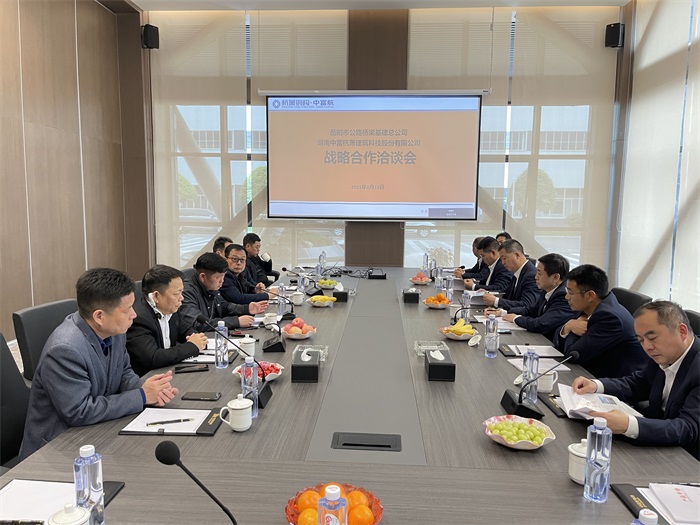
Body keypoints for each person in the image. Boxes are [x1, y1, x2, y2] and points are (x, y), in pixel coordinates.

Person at [19, 268, 178, 459]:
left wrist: (148, 390)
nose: (134, 315)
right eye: (127, 310)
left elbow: (124, 372)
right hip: (56, 450)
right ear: (99, 316)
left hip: (95, 432)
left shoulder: (115, 330)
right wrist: (141, 396)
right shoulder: (64, 349)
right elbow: (79, 411)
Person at [572, 301, 699, 460]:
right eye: (641, 340)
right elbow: (638, 384)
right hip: (658, 444)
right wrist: (596, 385)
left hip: (687, 459)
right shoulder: (665, 353)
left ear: (682, 331)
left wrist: (628, 425)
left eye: (652, 338)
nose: (647, 347)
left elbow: (688, 429)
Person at [553, 264, 650, 378]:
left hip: (618, 380)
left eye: (570, 293)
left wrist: (572, 327)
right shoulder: (589, 307)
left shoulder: (610, 318)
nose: (566, 297)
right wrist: (568, 326)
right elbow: (558, 342)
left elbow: (574, 355)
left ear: (590, 295)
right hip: (593, 368)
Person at [126, 265, 208, 376]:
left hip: (169, 370)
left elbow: (185, 329)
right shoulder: (138, 319)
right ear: (156, 296)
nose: (182, 298)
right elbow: (153, 358)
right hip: (148, 378)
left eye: (182, 292)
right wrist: (192, 346)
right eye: (176, 294)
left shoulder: (169, 309)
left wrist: (195, 337)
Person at [180, 252, 268, 333]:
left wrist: (246, 308)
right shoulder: (186, 292)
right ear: (203, 277)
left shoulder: (209, 285)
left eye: (223, 276)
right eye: (218, 277)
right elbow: (198, 324)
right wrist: (236, 321)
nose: (222, 281)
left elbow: (223, 305)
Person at [498, 253, 576, 341]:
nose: (536, 277)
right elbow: (531, 310)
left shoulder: (563, 296)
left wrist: (515, 318)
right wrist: (504, 312)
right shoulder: (546, 290)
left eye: (539, 273)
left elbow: (542, 324)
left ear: (555, 277)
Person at [483, 239, 539, 311]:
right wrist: (488, 292)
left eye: (504, 258)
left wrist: (496, 301)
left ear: (517, 255)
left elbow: (526, 304)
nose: (503, 263)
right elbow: (506, 292)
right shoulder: (518, 272)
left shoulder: (531, 275)